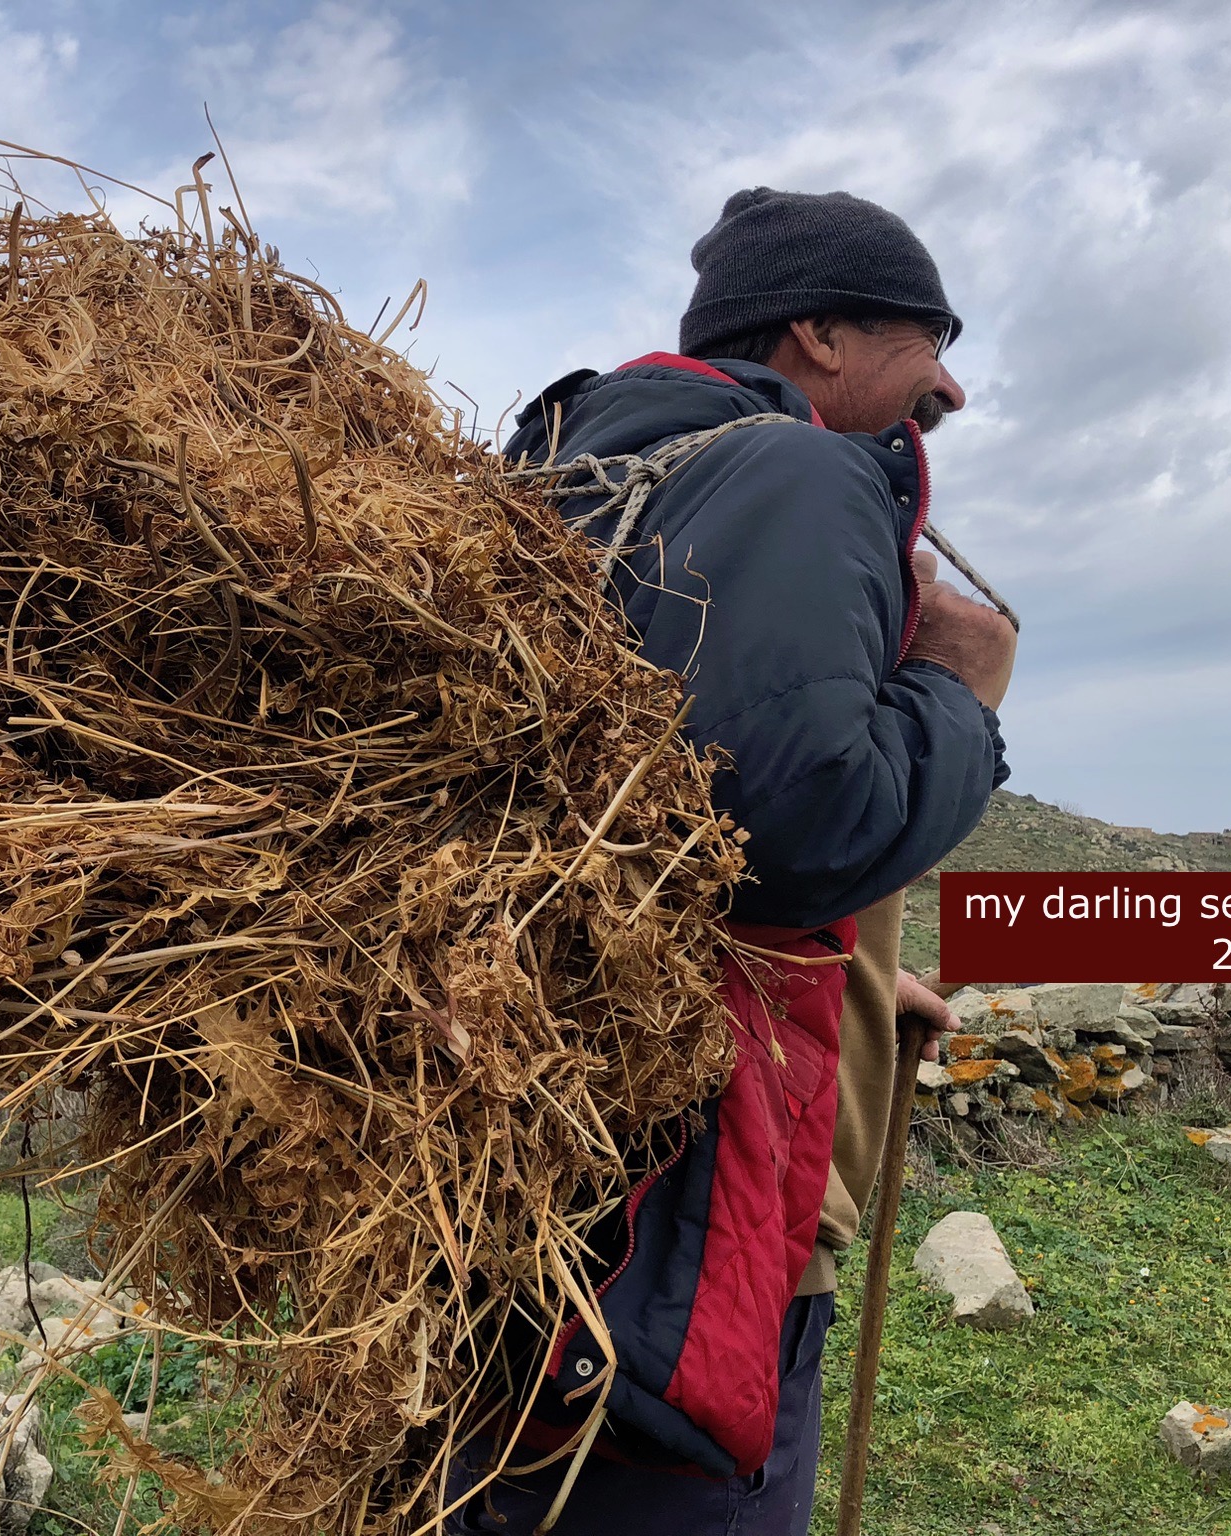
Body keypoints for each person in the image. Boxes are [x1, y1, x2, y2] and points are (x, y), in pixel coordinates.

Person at [448, 188, 1017, 1534]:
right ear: (816, 330)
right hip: (700, 1222)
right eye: (925, 339)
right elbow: (792, 825)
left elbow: (674, 836)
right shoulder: (795, 470)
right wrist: (962, 692)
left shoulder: (582, 489)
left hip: (536, 1165)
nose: (950, 382)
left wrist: (872, 981)